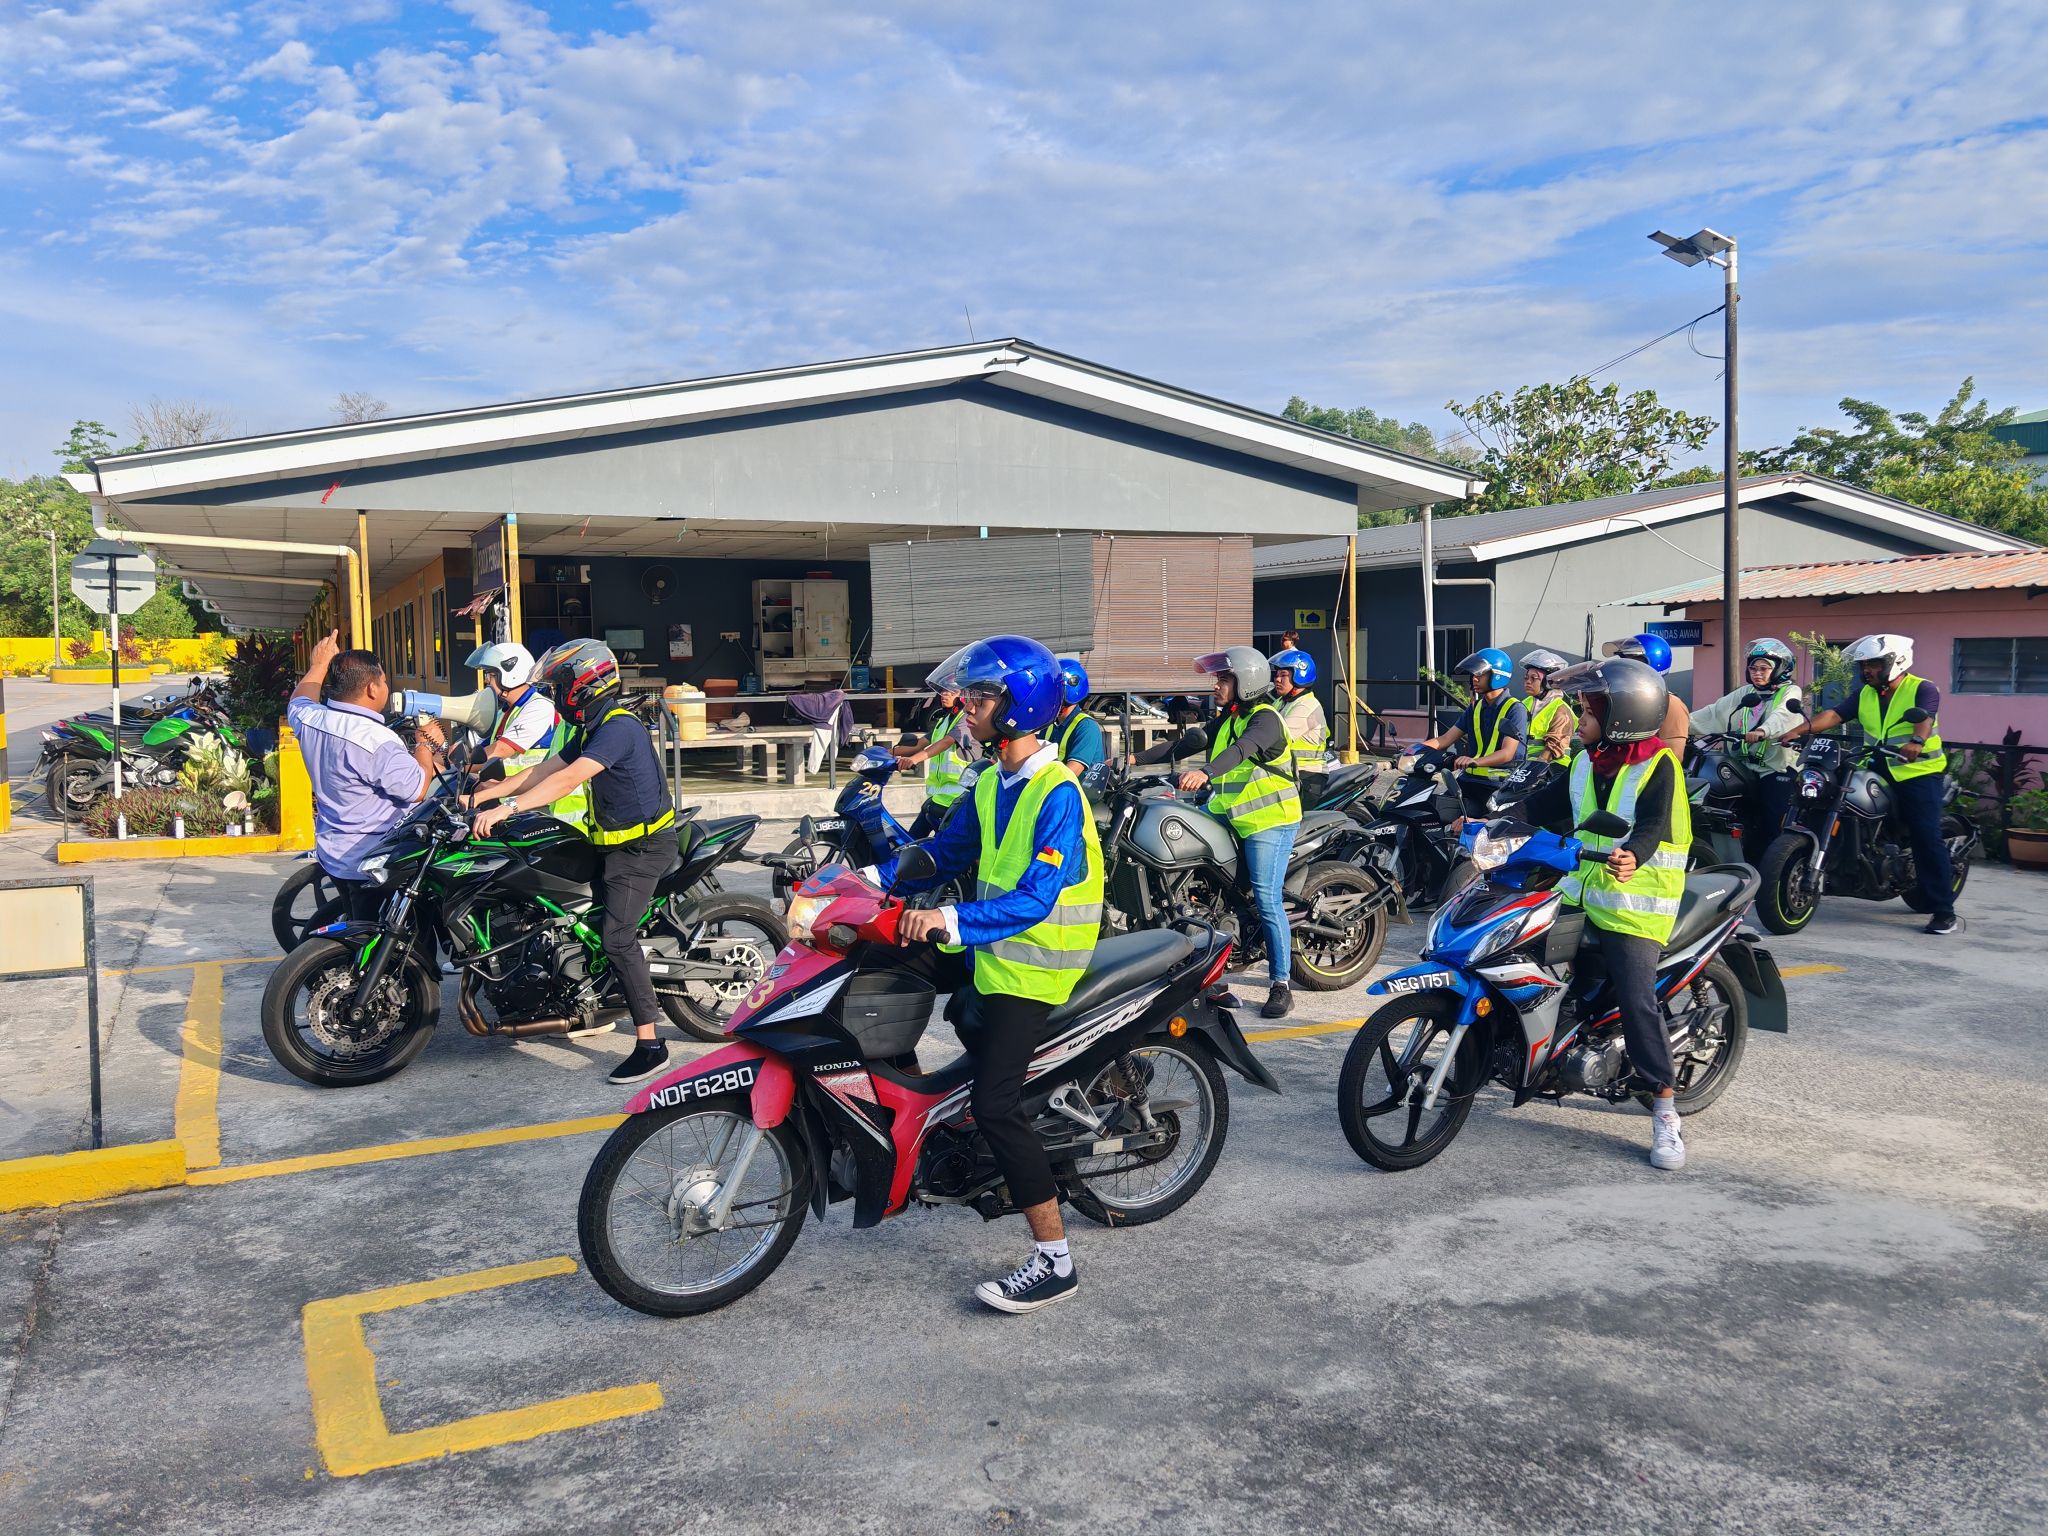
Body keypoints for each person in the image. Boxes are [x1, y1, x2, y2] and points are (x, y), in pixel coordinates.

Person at [875, 635, 1102, 1315]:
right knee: (884, 967)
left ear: (1016, 706)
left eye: (980, 696)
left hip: (1035, 969)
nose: (966, 707)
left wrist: (948, 922)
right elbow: (942, 854)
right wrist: (860, 880)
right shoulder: (990, 783)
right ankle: (905, 1119)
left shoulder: (1057, 793)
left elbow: (1034, 899)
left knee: (995, 1106)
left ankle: (1054, 1260)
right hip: (992, 950)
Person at [468, 639, 682, 1081]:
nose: (554, 693)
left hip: (642, 849)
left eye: (559, 684)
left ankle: (650, 1043)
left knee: (617, 939)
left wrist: (509, 809)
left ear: (583, 683)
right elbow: (545, 768)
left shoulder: (618, 727)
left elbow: (566, 779)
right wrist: (491, 792)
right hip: (609, 844)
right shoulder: (592, 724)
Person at [1518, 657, 1693, 1172]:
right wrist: (1487, 815)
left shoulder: (1659, 764)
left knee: (1639, 1001)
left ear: (1620, 715)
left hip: (1634, 905)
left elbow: (1653, 825)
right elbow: (1542, 805)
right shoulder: (1584, 761)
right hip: (1580, 891)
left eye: (1588, 709)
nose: (1579, 716)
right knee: (1525, 963)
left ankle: (1664, 1107)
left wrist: (1633, 855)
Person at [1135, 645, 1301, 1020]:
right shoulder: (1227, 719)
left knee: (1265, 899)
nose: (1216, 686)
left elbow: (1243, 751)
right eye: (1217, 679)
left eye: (1224, 679)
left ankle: (1281, 984)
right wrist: (1133, 759)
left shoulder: (1265, 719)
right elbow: (1184, 743)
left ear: (1247, 681)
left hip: (1268, 822)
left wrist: (1206, 772)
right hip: (1228, 816)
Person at [1774, 633, 1958, 935]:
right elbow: (1835, 714)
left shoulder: (1922, 688)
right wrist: (1799, 730)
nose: (1867, 671)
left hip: (1917, 772)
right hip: (1876, 766)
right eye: (1864, 665)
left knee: (1926, 836)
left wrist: (1916, 741)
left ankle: (1943, 910)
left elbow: (1925, 718)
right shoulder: (1866, 693)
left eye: (1873, 664)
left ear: (1895, 662)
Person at [288, 631, 443, 921]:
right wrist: (424, 742)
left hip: (333, 854)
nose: (386, 686)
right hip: (374, 860)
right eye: (383, 681)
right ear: (372, 688)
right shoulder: (376, 740)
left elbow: (299, 699)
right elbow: (418, 788)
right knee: (382, 937)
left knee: (357, 920)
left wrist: (318, 665)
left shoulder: (312, 719)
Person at [1687, 638, 1803, 867]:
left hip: (1775, 768)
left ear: (1780, 669)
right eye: (1753, 668)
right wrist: (1677, 724)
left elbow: (1783, 717)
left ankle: (1776, 868)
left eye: (1764, 668)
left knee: (1773, 822)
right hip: (1743, 768)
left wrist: (1762, 731)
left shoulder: (1790, 692)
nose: (1757, 673)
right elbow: (1711, 714)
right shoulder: (1744, 694)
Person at [466, 641, 587, 830]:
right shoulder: (505, 711)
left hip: (542, 811)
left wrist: (459, 766)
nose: (487, 681)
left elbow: (502, 750)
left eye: (491, 675)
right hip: (514, 804)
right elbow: (485, 750)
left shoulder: (538, 707)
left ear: (508, 675)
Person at [1419, 648, 1527, 822]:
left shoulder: (1516, 709)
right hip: (1469, 781)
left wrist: (1474, 761)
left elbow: (1508, 753)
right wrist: (1414, 751)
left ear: (1497, 675)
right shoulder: (1475, 708)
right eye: (1473, 674)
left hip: (1498, 787)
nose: (1474, 678)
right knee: (1429, 811)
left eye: (1480, 674)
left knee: (1466, 825)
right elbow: (1445, 739)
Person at [893, 683, 975, 838]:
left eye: (952, 692)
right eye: (944, 691)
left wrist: (913, 760)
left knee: (944, 850)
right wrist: (885, 753)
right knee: (910, 841)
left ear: (963, 695)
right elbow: (918, 744)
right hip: (937, 799)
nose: (945, 694)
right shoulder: (943, 722)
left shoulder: (966, 720)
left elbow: (946, 742)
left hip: (957, 801)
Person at [1603, 633, 1689, 757]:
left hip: (1648, 775)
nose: (1627, 667)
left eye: (1634, 661)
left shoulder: (1671, 704)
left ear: (1654, 664)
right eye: (1625, 660)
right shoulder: (1623, 700)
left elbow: (1673, 757)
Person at [1270, 647, 1332, 803]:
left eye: (1283, 675)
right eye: (1277, 675)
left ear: (1301, 675)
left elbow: (1273, 736)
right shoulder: (1281, 702)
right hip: (1288, 773)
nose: (1277, 679)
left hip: (1308, 777)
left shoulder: (1306, 705)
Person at [1050, 659, 1106, 780]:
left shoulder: (1086, 727)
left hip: (1077, 795)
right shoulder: (1051, 724)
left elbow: (1072, 771)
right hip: (1055, 793)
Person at [1519, 648, 1577, 764]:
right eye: (1526, 677)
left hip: (1552, 767)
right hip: (1524, 764)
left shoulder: (1561, 710)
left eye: (1534, 678)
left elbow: (1553, 747)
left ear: (1549, 681)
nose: (1528, 682)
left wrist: (1534, 768)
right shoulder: (1525, 703)